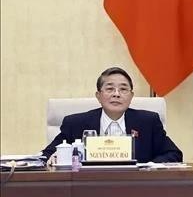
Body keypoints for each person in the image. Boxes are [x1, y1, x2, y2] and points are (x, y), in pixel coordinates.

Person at [42, 67, 183, 163]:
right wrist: (56, 158)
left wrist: (146, 168)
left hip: (137, 190)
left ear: (131, 96)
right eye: (109, 89)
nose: (116, 94)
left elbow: (174, 155)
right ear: (98, 95)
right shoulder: (75, 123)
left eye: (123, 89)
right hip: (88, 190)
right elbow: (46, 155)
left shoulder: (148, 122)